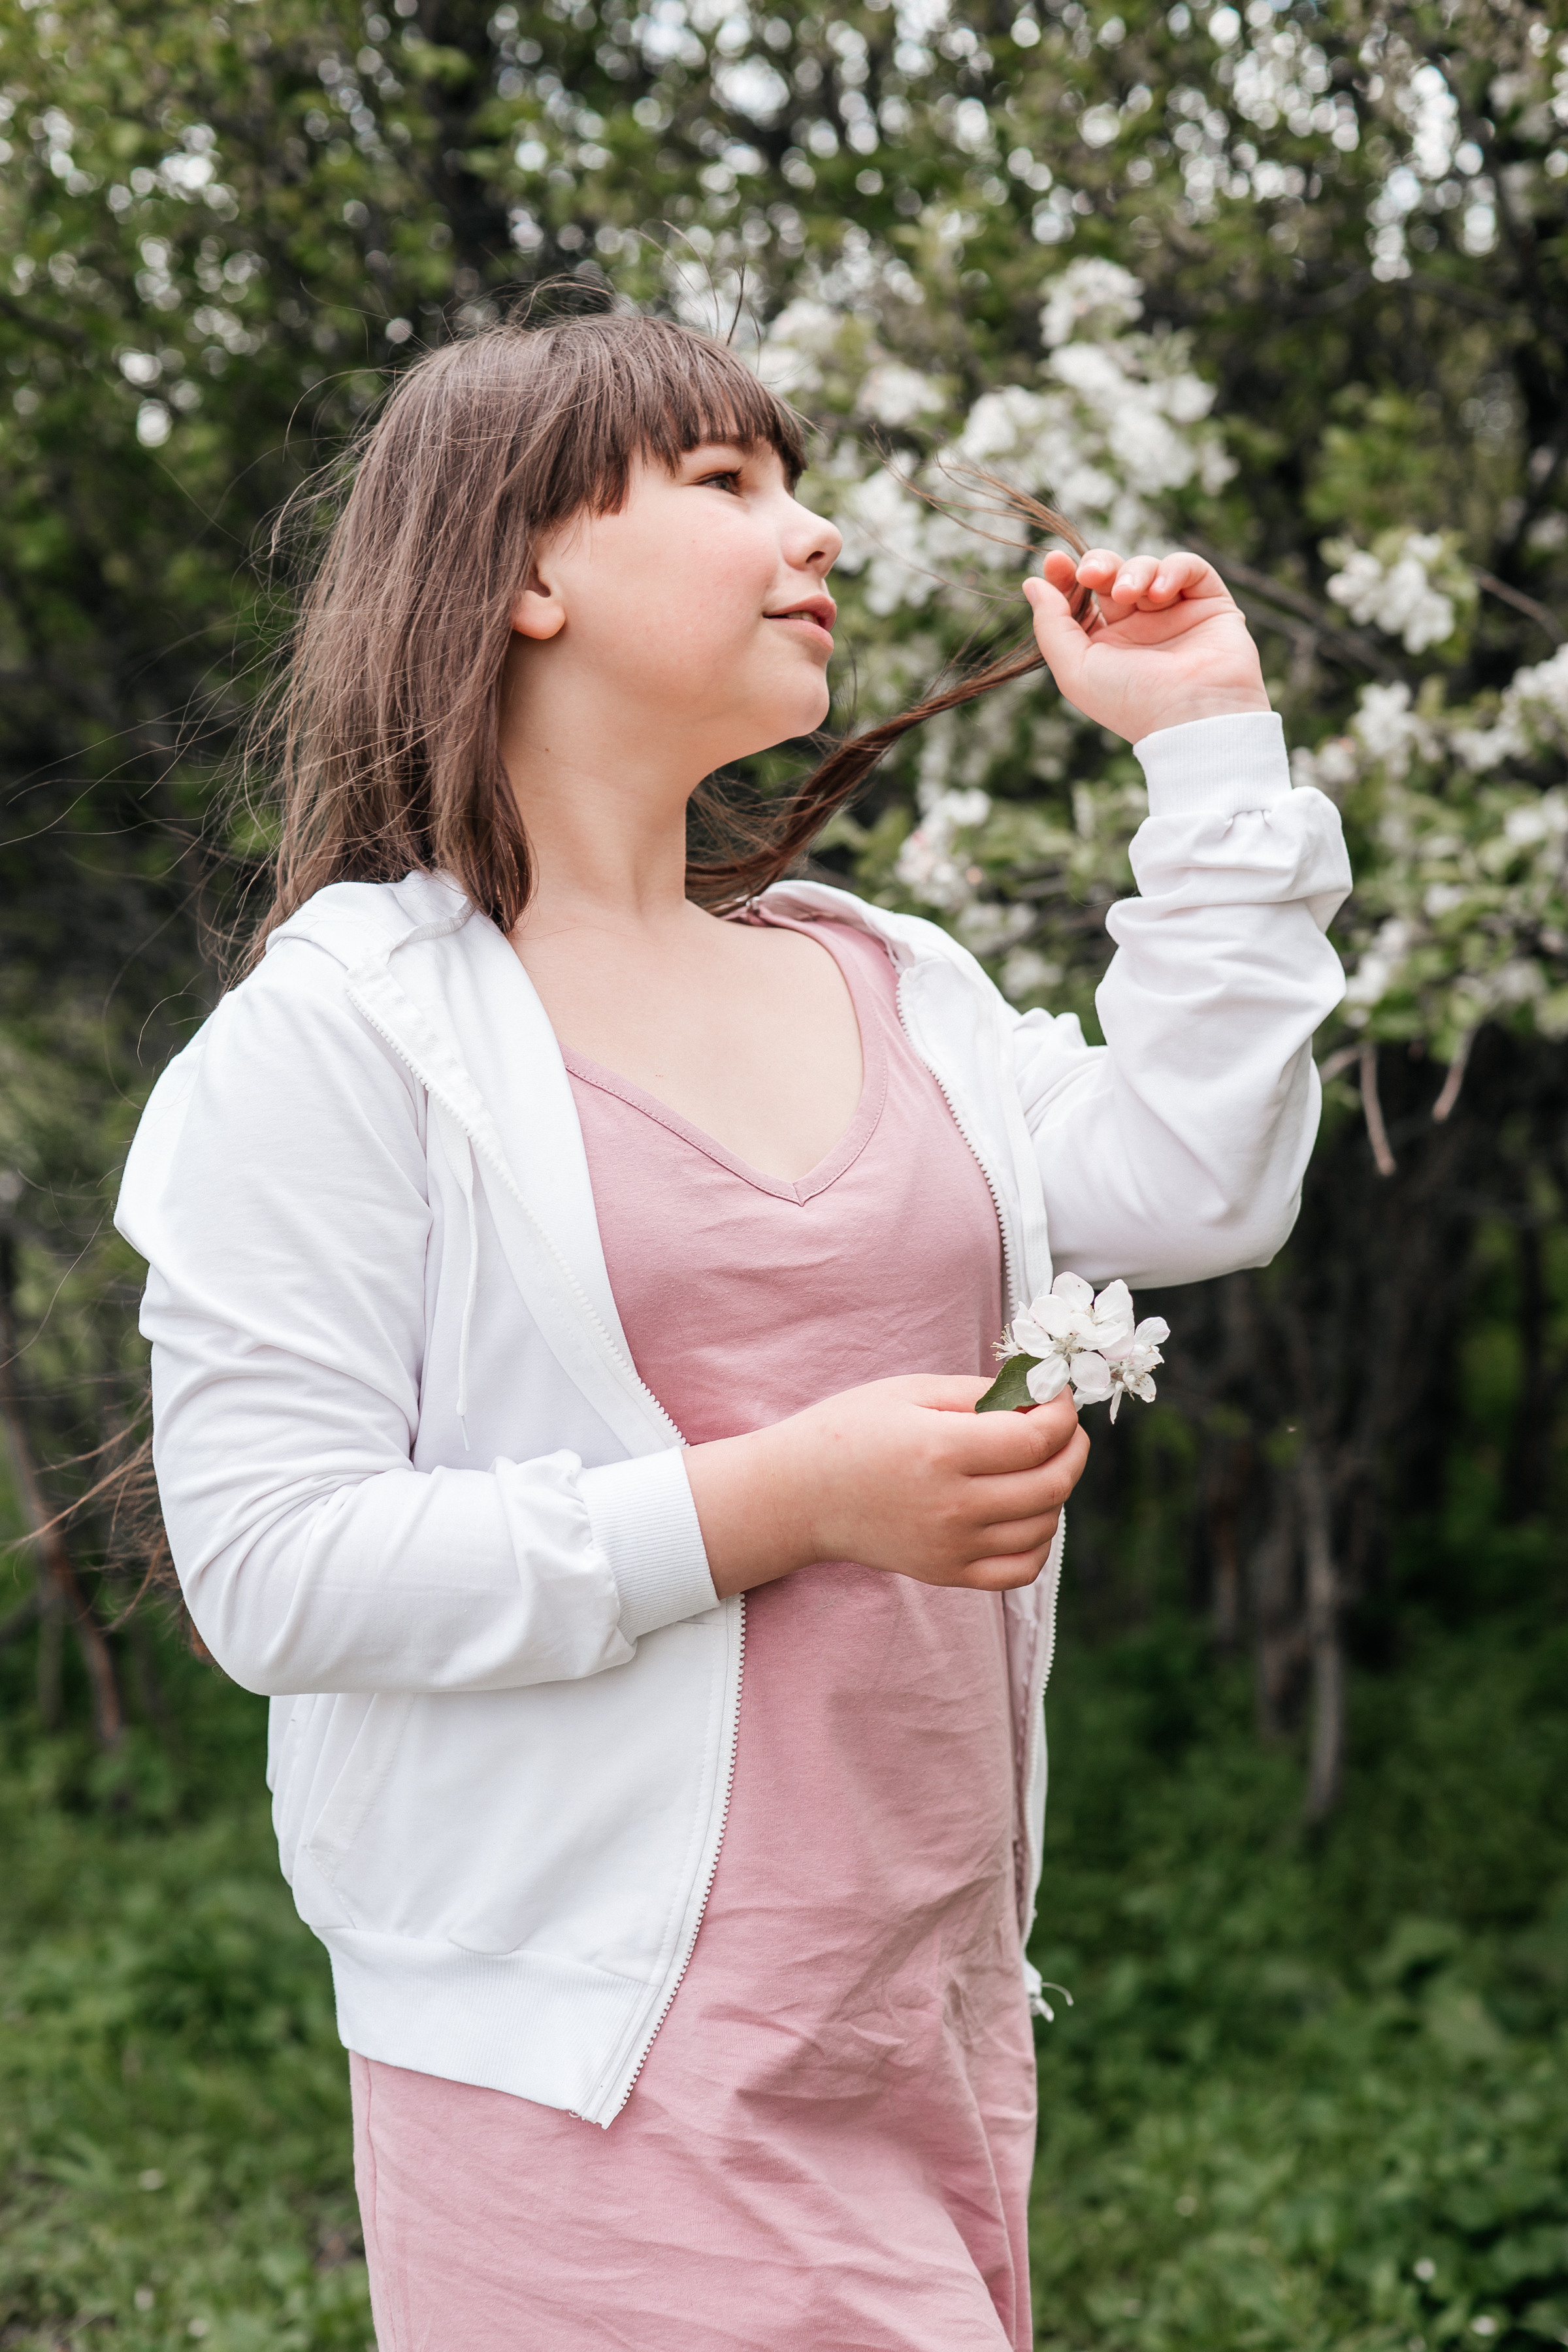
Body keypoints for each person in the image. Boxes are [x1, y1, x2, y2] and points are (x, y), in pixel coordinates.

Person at [115, 306, 1350, 2351]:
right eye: (727, 483)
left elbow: (1207, 1182)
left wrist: (1209, 745)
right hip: (585, 2058)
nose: (821, 528)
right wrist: (781, 1500)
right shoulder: (348, 1038)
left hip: (923, 2017)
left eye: (796, 477)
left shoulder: (887, 980)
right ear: (520, 572)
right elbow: (272, 1568)